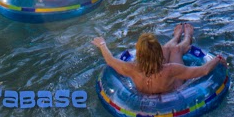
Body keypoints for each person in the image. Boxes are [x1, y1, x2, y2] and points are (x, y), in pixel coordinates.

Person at [92, 25, 227, 94]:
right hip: (172, 90)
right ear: (158, 53)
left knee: (169, 49)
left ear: (138, 54)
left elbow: (110, 60)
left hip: (145, 95)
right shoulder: (171, 69)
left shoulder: (131, 69)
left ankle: (176, 37)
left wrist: (102, 44)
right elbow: (203, 70)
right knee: (175, 50)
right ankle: (186, 37)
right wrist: (218, 58)